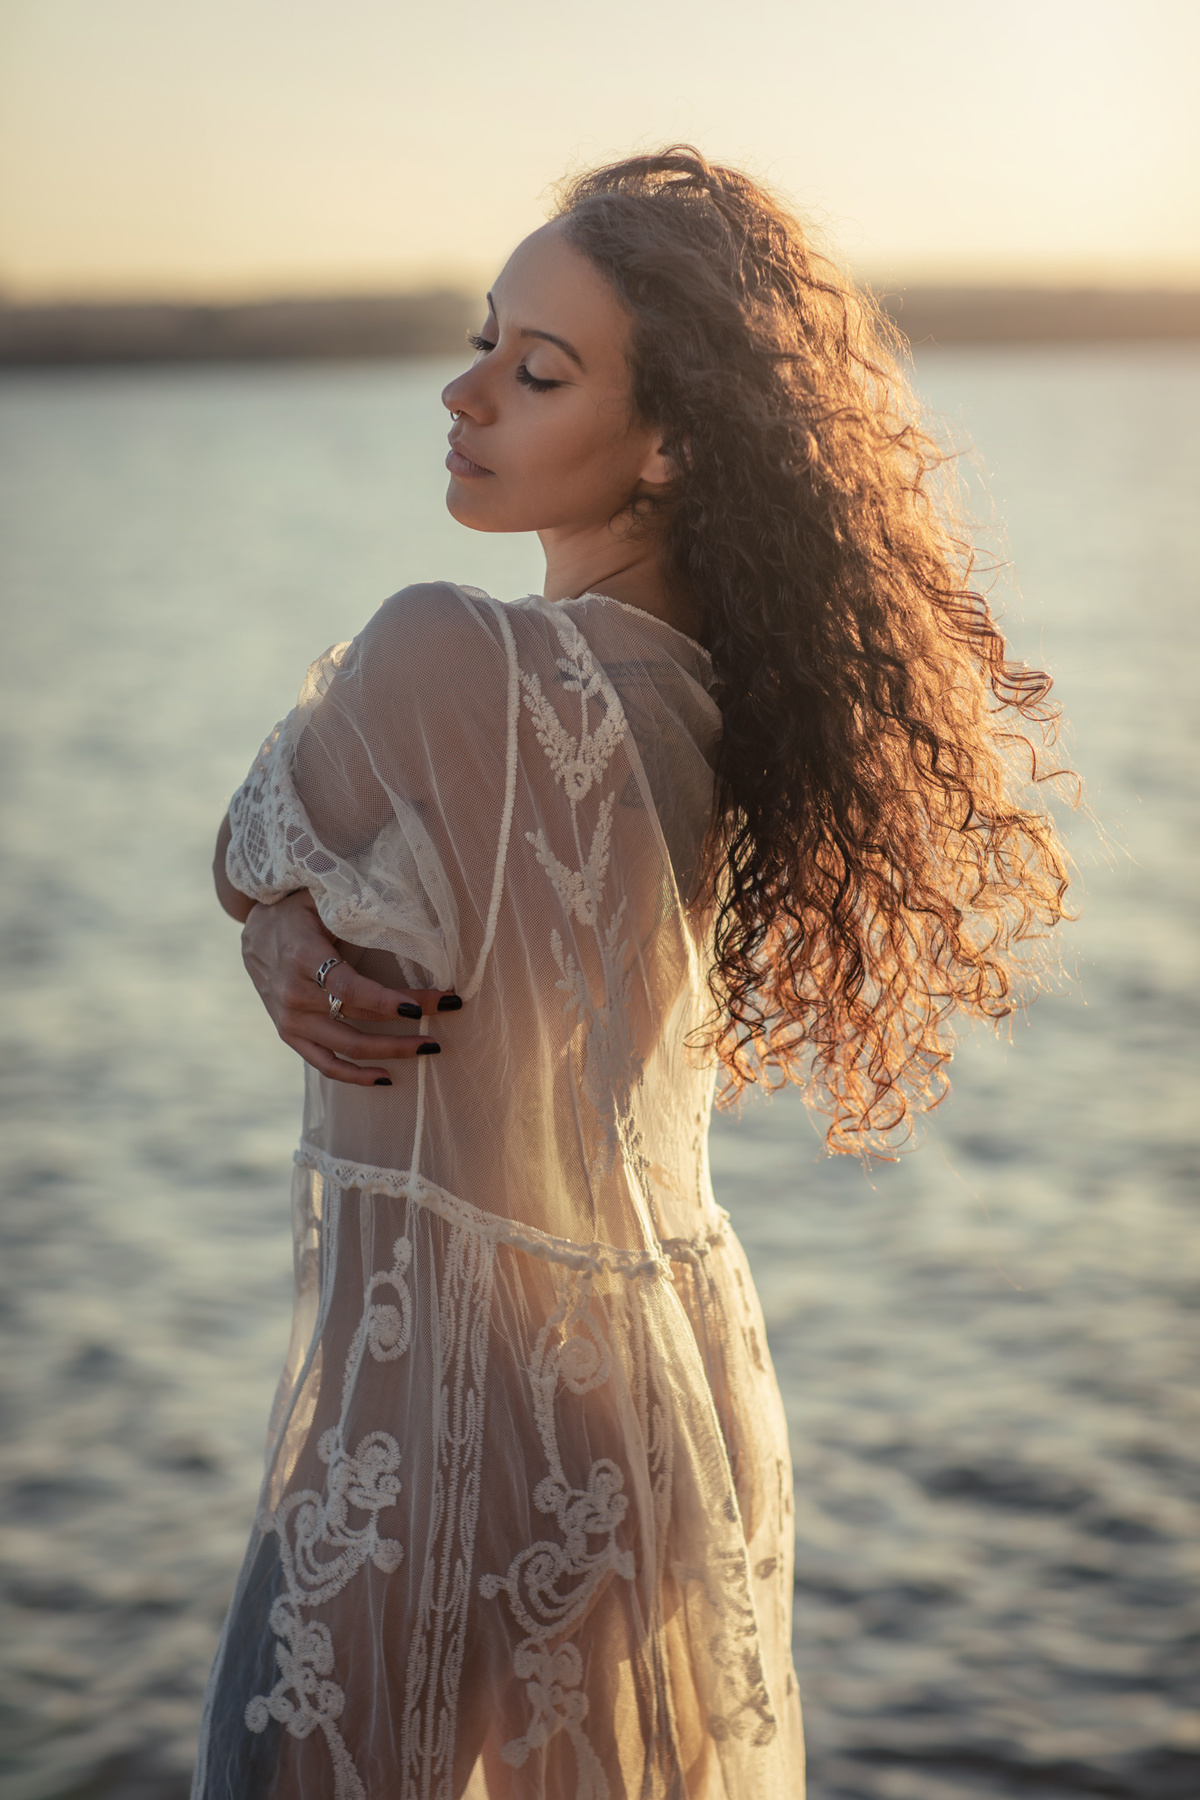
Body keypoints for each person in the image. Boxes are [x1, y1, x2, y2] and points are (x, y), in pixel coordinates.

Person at [193, 149, 1070, 1800]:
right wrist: (292, 931)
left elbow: (246, 849)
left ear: (670, 445)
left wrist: (272, 929)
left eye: (537, 370)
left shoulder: (445, 654)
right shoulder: (724, 710)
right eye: (482, 341)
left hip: (443, 1412)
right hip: (659, 1414)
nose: (464, 391)